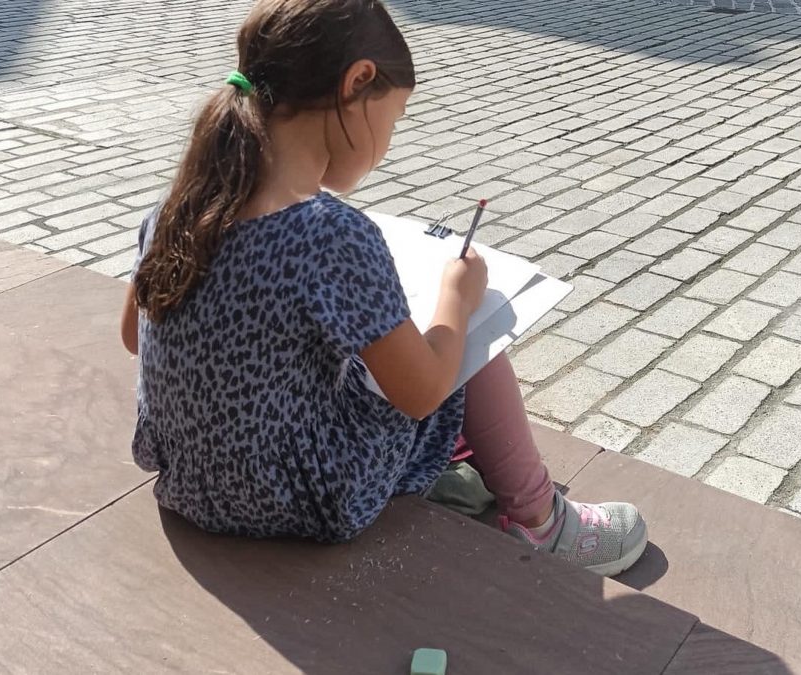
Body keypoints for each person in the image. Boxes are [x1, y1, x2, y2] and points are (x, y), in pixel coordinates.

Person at [119, 0, 647, 577]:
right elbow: (419, 395)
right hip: (306, 498)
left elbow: (131, 337)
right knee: (472, 328)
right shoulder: (331, 235)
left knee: (375, 357)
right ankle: (540, 518)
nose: (389, 141)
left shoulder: (180, 206)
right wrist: (457, 297)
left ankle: (461, 470)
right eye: (393, 119)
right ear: (358, 82)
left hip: (192, 483)